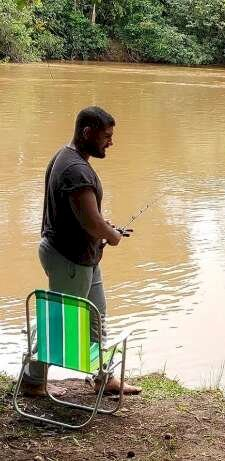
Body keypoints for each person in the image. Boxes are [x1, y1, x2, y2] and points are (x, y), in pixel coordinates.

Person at [21, 106, 141, 397]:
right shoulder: (75, 169)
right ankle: (32, 381)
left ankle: (103, 377)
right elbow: (90, 220)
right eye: (106, 136)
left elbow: (80, 215)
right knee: (59, 321)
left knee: (97, 317)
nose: (110, 142)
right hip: (69, 259)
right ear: (87, 133)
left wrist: (103, 229)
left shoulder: (67, 156)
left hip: (82, 256)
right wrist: (110, 234)